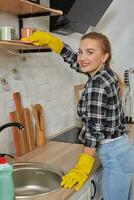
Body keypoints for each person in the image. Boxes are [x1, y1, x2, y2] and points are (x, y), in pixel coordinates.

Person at [22, 31, 134, 200]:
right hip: (121, 151)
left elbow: (94, 128)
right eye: (81, 51)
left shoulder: (97, 83)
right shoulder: (105, 73)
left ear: (104, 56)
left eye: (90, 52)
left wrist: (83, 165)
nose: (82, 57)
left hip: (114, 157)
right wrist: (55, 44)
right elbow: (79, 62)